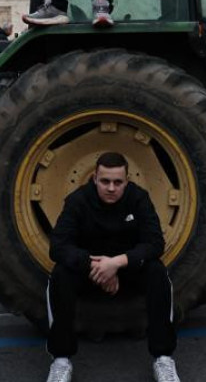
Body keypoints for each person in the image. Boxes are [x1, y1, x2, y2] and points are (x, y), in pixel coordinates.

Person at [45, 152, 179, 382]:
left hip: (127, 269)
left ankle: (163, 358)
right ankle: (61, 359)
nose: (111, 188)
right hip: (89, 271)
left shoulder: (138, 199)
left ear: (127, 181)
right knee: (60, 275)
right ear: (95, 178)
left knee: (157, 272)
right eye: (105, 181)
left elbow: (155, 243)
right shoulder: (78, 200)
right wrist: (94, 266)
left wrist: (116, 263)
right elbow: (58, 247)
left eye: (118, 182)